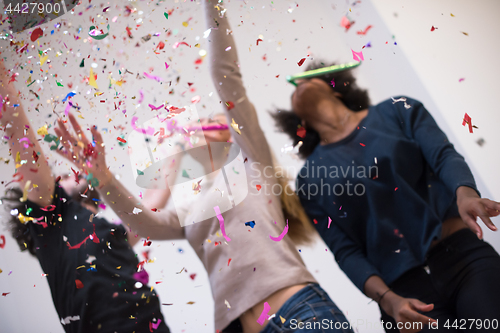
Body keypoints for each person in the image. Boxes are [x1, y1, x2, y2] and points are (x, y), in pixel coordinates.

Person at [52, 2, 355, 333]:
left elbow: (225, 77)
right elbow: (145, 224)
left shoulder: (252, 162)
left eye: (214, 118)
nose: (203, 125)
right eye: (201, 122)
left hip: (300, 314)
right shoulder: (191, 208)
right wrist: (103, 177)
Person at [272, 62, 500, 332]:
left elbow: (443, 156)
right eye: (294, 88)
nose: (299, 84)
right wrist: (388, 300)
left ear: (336, 89)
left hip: (463, 259)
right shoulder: (309, 178)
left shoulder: (398, 110)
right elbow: (345, 252)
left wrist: (466, 194)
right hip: (402, 294)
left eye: (308, 79)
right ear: (301, 122)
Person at [0, 59, 170, 333]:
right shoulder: (50, 225)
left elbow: (151, 206)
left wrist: (175, 152)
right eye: (60, 179)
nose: (64, 176)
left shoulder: (110, 234)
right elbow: (15, 127)